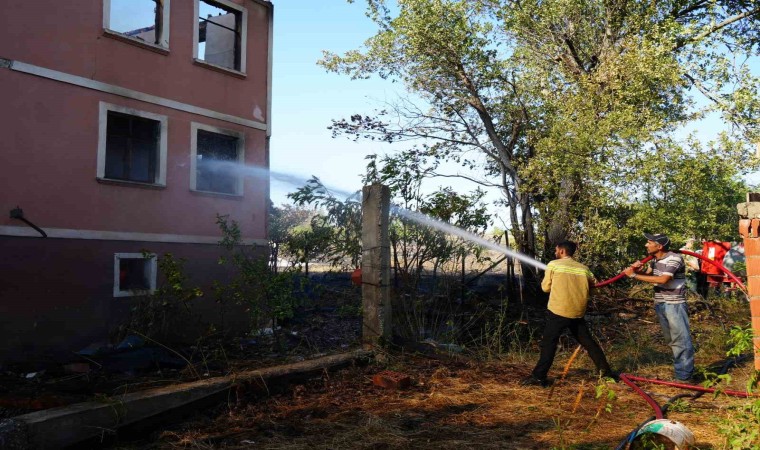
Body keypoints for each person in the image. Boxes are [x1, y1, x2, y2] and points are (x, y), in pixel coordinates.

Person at [521, 241, 616, 387]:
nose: (555, 252)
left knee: (549, 344)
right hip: (577, 312)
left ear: (561, 251)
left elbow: (545, 288)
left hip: (558, 311)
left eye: (556, 250)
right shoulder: (584, 269)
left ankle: (539, 377)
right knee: (589, 343)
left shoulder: (554, 264)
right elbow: (596, 289)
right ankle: (606, 374)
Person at [624, 232, 695, 381]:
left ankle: (684, 377)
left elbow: (663, 279)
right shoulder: (654, 259)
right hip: (661, 303)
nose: (646, 245)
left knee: (680, 340)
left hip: (674, 304)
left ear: (659, 246)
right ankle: (682, 371)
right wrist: (637, 270)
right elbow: (650, 275)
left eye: (649, 242)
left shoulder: (675, 258)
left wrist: (633, 275)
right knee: (671, 339)